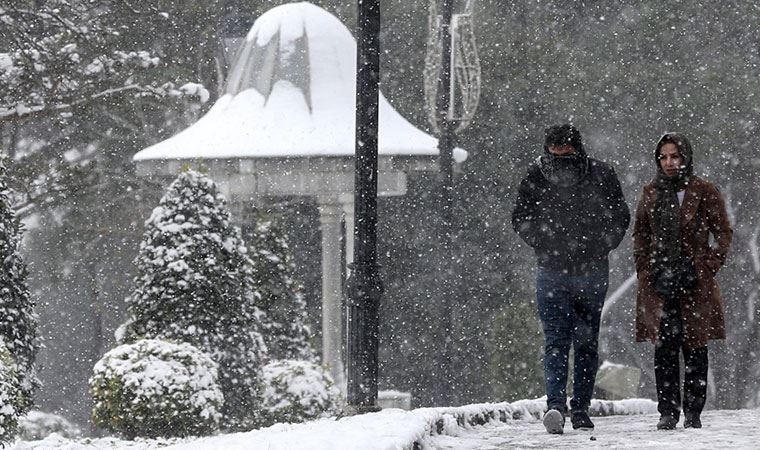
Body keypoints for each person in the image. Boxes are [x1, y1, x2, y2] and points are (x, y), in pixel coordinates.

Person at [511, 124, 630, 434]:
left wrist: (598, 244)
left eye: (566, 155)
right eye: (556, 155)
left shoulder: (600, 175)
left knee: (580, 343)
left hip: (585, 270)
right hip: (557, 270)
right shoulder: (539, 175)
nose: (560, 162)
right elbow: (521, 217)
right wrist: (545, 242)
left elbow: (620, 216)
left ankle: (575, 407)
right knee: (562, 341)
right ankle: (559, 406)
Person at [633, 132, 732, 430]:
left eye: (674, 156)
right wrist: (646, 270)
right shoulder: (651, 192)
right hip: (660, 282)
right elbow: (641, 235)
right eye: (663, 157)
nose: (669, 163)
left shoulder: (704, 190)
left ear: (685, 157)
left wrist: (707, 265)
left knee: (695, 347)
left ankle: (693, 412)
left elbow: (724, 232)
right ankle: (667, 411)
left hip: (694, 282)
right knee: (664, 349)